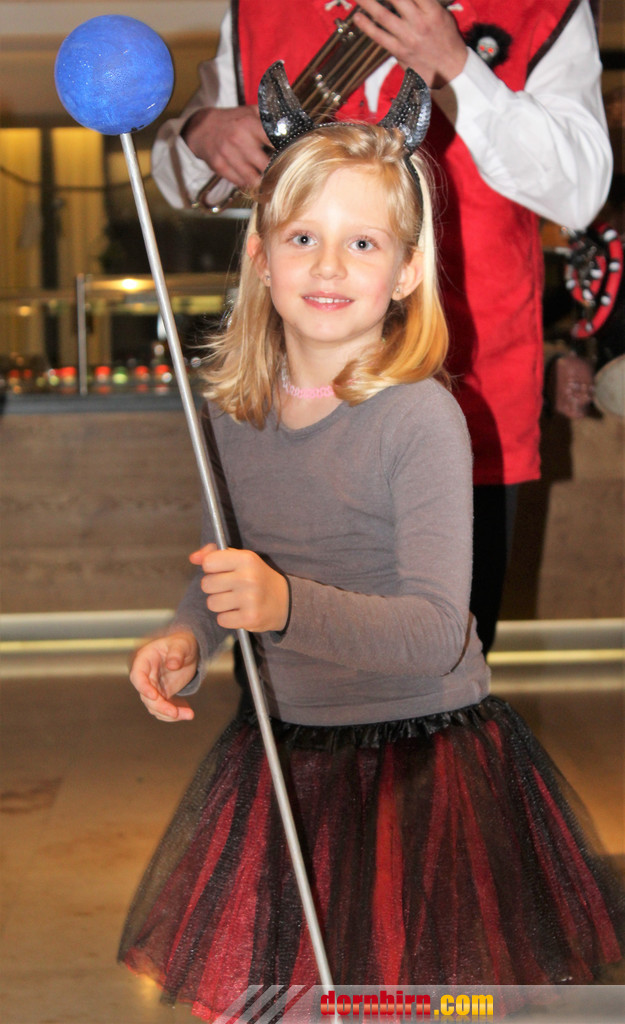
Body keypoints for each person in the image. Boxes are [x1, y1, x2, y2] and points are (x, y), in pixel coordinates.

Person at [120, 68, 623, 1021]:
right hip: (287, 755)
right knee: (297, 998)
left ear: (404, 272)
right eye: (301, 237)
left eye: (361, 243)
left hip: (420, 765)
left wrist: (284, 606)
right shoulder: (232, 413)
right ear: (260, 257)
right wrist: (190, 635)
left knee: (416, 1001)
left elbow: (434, 632)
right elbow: (225, 566)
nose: (327, 266)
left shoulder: (418, 419)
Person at [151, 0, 613, 654]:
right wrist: (201, 131)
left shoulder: (542, 7)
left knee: (441, 661)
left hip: (471, 393)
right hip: (290, 405)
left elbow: (580, 191)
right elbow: (181, 177)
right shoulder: (258, 9)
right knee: (278, 666)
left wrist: (457, 67)